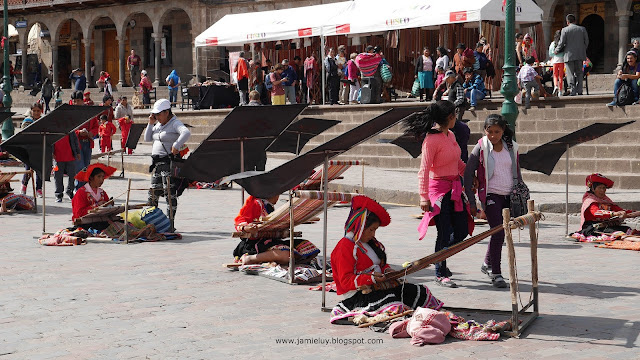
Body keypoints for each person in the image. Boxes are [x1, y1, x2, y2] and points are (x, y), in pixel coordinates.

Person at [329, 195, 444, 324]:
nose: (373, 234)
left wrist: (388, 271)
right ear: (359, 227)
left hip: (378, 286)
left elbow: (380, 264)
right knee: (392, 301)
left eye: (375, 230)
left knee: (418, 291)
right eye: (371, 230)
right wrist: (371, 278)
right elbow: (345, 281)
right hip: (358, 294)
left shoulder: (370, 243)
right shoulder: (345, 247)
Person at [407, 101, 472, 288]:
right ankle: (440, 272)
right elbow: (424, 170)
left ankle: (440, 257)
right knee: (443, 232)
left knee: (461, 231)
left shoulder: (450, 134)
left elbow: (457, 161)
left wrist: (469, 174)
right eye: (455, 115)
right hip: (438, 192)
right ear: (450, 117)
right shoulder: (431, 140)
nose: (456, 119)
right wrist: (423, 196)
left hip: (455, 188)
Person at [464, 114, 521, 288]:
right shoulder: (480, 147)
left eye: (497, 132)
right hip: (491, 196)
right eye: (490, 132)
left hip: (509, 196)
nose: (493, 135)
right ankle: (496, 273)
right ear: (484, 131)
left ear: (503, 131)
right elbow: (467, 174)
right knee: (498, 233)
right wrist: (472, 202)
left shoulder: (512, 147)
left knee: (500, 232)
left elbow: (517, 173)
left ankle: (487, 264)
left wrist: (520, 194)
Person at [233, 194, 319, 265]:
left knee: (308, 247)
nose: (278, 197)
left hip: (270, 241)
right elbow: (240, 219)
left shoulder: (268, 206)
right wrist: (247, 227)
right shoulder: (255, 202)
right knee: (286, 255)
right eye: (277, 194)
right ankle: (250, 258)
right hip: (254, 244)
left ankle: (269, 259)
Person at [144, 99, 191, 225]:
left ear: (166, 112)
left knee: (170, 194)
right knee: (153, 193)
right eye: (156, 114)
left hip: (167, 164)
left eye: (159, 114)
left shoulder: (174, 122)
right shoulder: (158, 124)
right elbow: (147, 138)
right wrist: (150, 123)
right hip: (156, 164)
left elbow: (186, 132)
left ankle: (170, 223)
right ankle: (153, 222)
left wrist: (176, 144)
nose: (157, 116)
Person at [71, 163, 117, 231]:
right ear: (91, 178)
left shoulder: (102, 192)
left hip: (101, 222)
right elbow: (79, 213)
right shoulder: (81, 193)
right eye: (99, 176)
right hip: (86, 224)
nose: (102, 180)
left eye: (103, 177)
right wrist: (97, 205)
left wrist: (109, 204)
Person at [555, 14, 589, 96]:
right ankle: (579, 90)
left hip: (568, 55)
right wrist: (582, 49)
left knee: (570, 73)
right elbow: (586, 41)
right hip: (580, 54)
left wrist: (557, 50)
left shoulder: (565, 30)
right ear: (575, 21)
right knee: (579, 73)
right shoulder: (582, 29)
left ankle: (573, 90)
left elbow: (561, 42)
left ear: (567, 22)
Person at [73, 92, 99, 190]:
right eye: (74, 101)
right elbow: (69, 130)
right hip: (77, 143)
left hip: (87, 143)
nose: (76, 103)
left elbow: (96, 127)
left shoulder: (89, 113)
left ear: (82, 101)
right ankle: (79, 189)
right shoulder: (71, 114)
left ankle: (83, 188)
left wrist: (91, 133)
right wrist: (79, 132)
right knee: (80, 167)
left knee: (86, 166)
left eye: (78, 101)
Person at [20, 103, 44, 197]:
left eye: (38, 111)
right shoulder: (27, 121)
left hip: (39, 148)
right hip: (28, 148)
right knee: (28, 169)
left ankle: (39, 189)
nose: (36, 113)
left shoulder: (43, 121)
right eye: (34, 111)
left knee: (39, 170)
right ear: (31, 111)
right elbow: (24, 135)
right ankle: (24, 186)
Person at [53, 128, 80, 202]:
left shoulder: (70, 129)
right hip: (57, 158)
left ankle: (70, 191)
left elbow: (75, 141)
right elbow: (49, 143)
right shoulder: (52, 130)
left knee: (72, 175)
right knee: (57, 176)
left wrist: (78, 152)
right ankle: (59, 194)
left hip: (70, 157)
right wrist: (51, 153)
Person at [549, 30, 565, 97]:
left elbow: (550, 53)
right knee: (561, 76)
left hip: (555, 61)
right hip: (562, 61)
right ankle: (560, 91)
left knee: (555, 75)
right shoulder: (563, 43)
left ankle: (555, 86)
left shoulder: (553, 43)